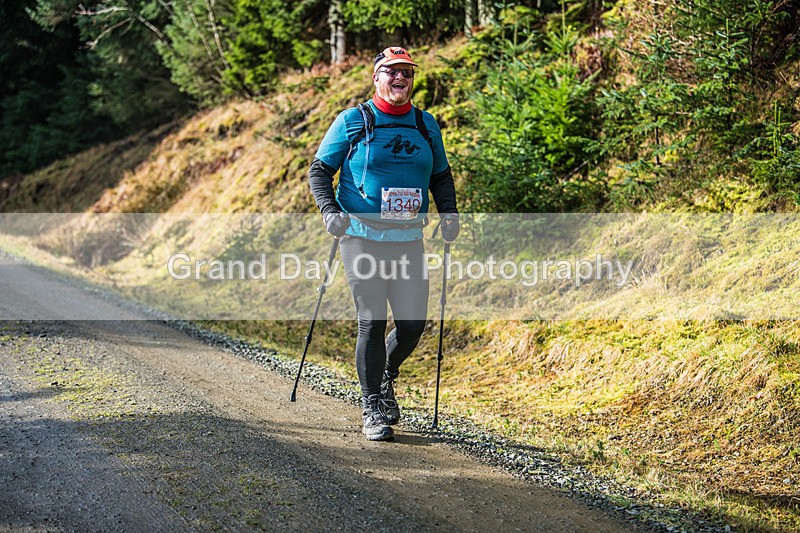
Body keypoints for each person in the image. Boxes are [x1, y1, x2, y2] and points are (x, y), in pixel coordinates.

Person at [308, 46, 459, 441]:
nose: (400, 78)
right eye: (391, 72)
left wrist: (449, 212)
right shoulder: (354, 120)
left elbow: (440, 176)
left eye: (407, 73)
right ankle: (372, 404)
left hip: (408, 238)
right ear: (376, 77)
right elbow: (320, 170)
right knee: (371, 320)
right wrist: (329, 211)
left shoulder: (426, 125)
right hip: (360, 236)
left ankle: (387, 375)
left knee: (412, 323)